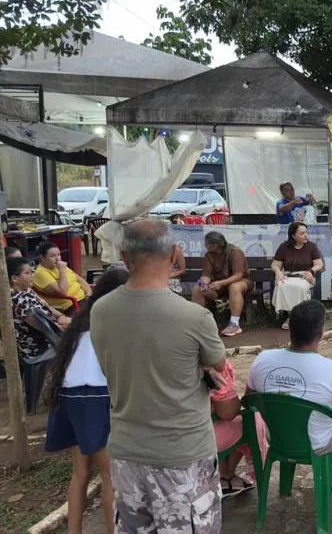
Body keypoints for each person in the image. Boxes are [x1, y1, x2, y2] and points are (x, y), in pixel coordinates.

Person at [92, 219, 227, 533]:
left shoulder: (101, 311)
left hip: (126, 453)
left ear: (124, 257)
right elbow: (218, 363)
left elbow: (113, 365)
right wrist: (201, 366)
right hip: (182, 455)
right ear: (174, 255)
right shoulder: (194, 317)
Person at [43, 268, 128, 534]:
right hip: (95, 397)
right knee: (110, 477)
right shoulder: (111, 323)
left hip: (70, 396)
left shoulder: (81, 322)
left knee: (80, 473)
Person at [248, 300, 332, 491]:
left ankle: (288, 485)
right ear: (320, 334)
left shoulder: (262, 360)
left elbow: (250, 399)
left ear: (289, 329)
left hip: (277, 438)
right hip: (318, 444)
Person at [210, 355, 268, 499]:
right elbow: (228, 412)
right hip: (197, 436)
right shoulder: (212, 368)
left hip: (156, 432)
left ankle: (226, 474)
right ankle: (227, 475)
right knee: (250, 419)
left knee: (223, 418)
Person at [9, 257, 72, 361]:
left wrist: (60, 316)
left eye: (31, 272)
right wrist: (67, 325)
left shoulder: (27, 290)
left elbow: (45, 305)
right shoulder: (17, 300)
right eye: (27, 273)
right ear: (14, 278)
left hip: (52, 334)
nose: (32, 276)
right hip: (41, 348)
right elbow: (46, 328)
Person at [191, 231, 251, 337]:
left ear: (215, 245)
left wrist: (222, 283)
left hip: (241, 282)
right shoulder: (209, 255)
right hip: (218, 284)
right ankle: (196, 324)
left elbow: (238, 275)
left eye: (207, 244)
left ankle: (234, 324)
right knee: (198, 289)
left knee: (234, 287)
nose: (205, 246)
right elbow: (206, 275)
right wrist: (203, 283)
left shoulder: (235, 252)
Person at [271, 222, 324, 329]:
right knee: (281, 285)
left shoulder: (312, 247)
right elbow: (275, 264)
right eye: (302, 233)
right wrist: (278, 272)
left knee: (299, 287)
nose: (306, 235)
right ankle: (291, 317)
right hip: (289, 276)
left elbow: (319, 264)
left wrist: (311, 271)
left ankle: (301, 317)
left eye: (306, 233)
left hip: (305, 276)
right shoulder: (284, 247)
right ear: (293, 236)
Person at [33, 241, 91, 314]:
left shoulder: (59, 266)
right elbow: (62, 292)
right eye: (52, 256)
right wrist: (62, 271)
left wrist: (89, 293)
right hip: (71, 304)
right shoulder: (41, 273)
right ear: (42, 258)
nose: (57, 258)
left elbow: (81, 281)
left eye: (59, 254)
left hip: (84, 299)